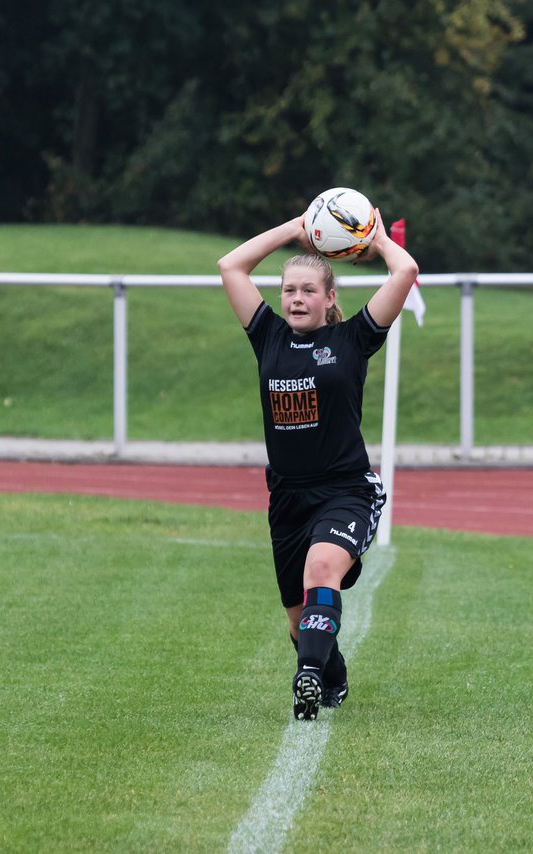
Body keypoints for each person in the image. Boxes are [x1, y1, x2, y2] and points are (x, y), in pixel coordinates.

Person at [217, 203, 418, 721]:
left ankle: (305, 676)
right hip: (287, 497)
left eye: (309, 291)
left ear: (331, 299)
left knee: (321, 569)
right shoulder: (268, 338)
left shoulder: (352, 340)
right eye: (289, 289)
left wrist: (370, 236)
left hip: (345, 489)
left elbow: (405, 272)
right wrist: (296, 229)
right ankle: (328, 670)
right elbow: (230, 267)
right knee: (297, 618)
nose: (297, 298)